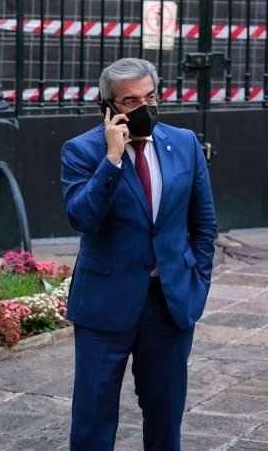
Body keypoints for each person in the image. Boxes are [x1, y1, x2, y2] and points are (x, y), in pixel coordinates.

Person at [60, 58, 217, 451]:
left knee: (165, 419)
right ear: (108, 108)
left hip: (169, 303)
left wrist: (196, 283)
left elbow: (204, 223)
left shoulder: (183, 144)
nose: (143, 107)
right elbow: (83, 218)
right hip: (104, 304)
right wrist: (111, 160)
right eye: (130, 101)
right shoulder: (81, 151)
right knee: (93, 421)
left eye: (150, 96)